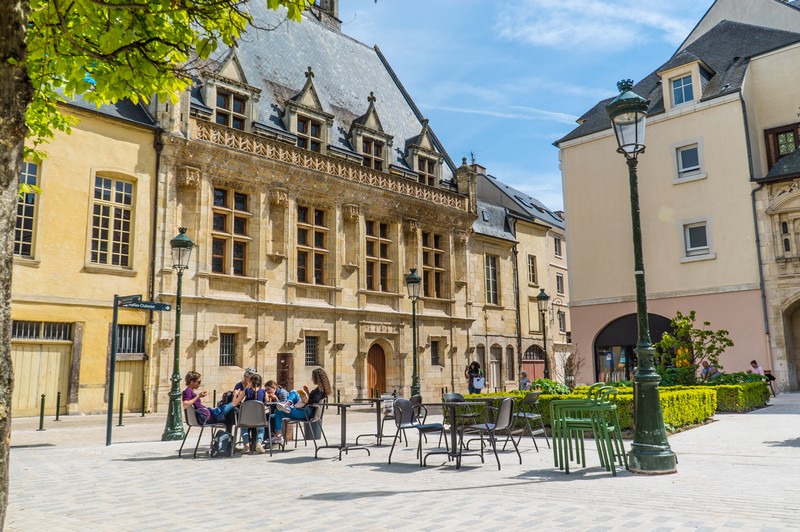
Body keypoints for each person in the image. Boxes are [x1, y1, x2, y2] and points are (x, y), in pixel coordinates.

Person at [270, 368, 331, 445]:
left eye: (313, 377)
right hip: (306, 411)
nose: (312, 379)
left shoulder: (320, 390)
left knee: (279, 411)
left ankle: (278, 434)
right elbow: (314, 401)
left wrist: (306, 400)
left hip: (306, 413)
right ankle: (287, 405)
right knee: (294, 393)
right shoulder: (322, 389)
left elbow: (314, 402)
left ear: (317, 378)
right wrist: (307, 394)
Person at [241, 373, 267, 454]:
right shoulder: (263, 391)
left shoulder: (246, 391)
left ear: (251, 382)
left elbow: (239, 401)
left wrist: (247, 387)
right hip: (259, 419)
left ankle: (246, 445)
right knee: (260, 430)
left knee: (244, 428)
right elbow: (267, 402)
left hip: (247, 419)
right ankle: (259, 443)